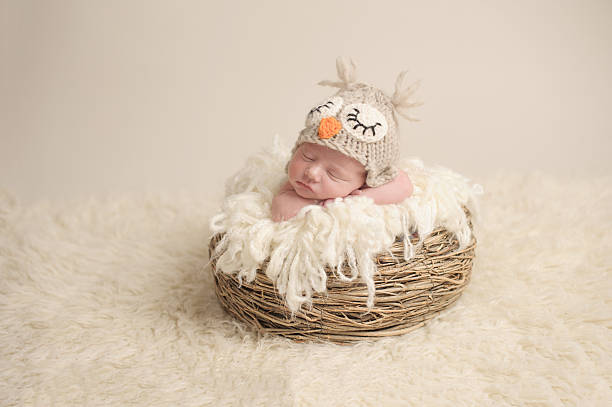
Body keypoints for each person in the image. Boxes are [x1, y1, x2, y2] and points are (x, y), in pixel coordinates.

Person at [271, 64, 417, 222]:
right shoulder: (292, 188)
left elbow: (403, 185)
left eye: (333, 173)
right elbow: (283, 211)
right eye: (308, 157)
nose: (311, 172)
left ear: (367, 179)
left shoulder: (370, 183)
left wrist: (364, 198)